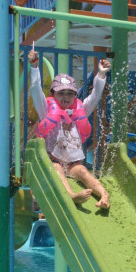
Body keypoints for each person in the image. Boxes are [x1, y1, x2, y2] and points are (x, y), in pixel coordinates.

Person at [28, 49, 111, 209]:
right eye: (61, 93)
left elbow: (95, 97)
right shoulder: (46, 110)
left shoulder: (80, 110)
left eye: (70, 93)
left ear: (75, 95)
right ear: (53, 94)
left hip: (73, 164)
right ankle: (71, 195)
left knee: (83, 172)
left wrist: (101, 75)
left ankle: (103, 195)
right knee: (57, 168)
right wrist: (34, 67)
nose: (66, 97)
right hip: (54, 162)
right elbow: (36, 90)